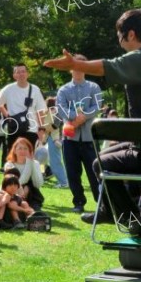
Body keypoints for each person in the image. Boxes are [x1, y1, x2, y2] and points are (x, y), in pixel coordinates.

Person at [44, 8, 141, 226]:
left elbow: (108, 66)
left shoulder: (139, 58)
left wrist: (74, 64)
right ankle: (112, 209)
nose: (118, 38)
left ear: (131, 34)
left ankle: (127, 217)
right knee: (106, 155)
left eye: (119, 34)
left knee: (101, 165)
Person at [56, 54, 101, 213]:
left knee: (95, 172)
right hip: (70, 138)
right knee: (72, 172)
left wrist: (84, 117)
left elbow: (97, 106)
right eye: (74, 66)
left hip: (90, 138)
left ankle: (101, 203)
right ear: (70, 69)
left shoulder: (94, 87)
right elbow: (60, 108)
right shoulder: (63, 90)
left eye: (81, 66)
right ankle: (79, 202)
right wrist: (76, 117)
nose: (77, 70)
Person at [0, 64, 46, 150]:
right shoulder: (8, 89)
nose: (21, 74)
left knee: (30, 159)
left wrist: (41, 129)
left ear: (27, 74)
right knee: (13, 158)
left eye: (23, 71)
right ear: (14, 75)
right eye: (18, 72)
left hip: (31, 129)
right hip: (14, 129)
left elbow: (40, 111)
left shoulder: (35, 89)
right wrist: (7, 115)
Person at [4, 137, 44, 211]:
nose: (23, 151)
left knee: (36, 210)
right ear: (14, 151)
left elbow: (38, 184)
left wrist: (31, 163)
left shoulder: (35, 163)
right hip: (13, 192)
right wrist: (25, 187)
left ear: (30, 151)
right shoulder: (9, 165)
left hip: (32, 195)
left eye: (25, 149)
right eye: (20, 148)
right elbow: (15, 182)